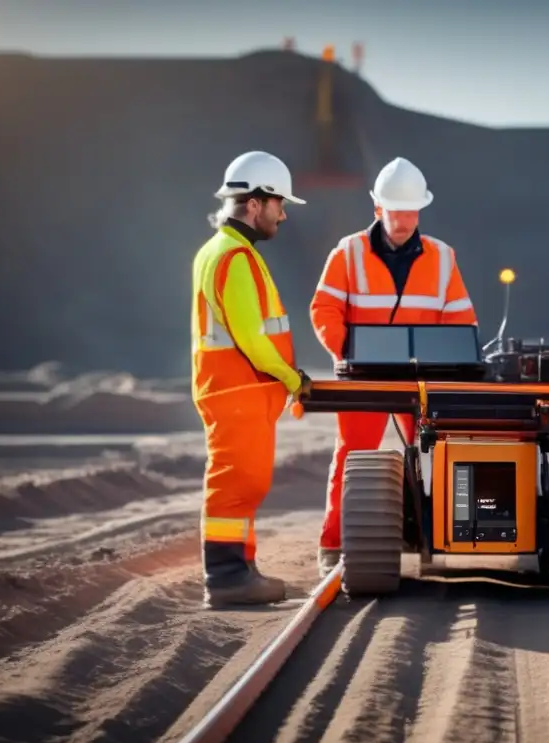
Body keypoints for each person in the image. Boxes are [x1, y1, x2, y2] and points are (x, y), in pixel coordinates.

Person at [309, 157, 478, 574]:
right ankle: (333, 546)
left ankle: (428, 539)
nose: (404, 221)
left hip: (421, 382)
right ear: (377, 208)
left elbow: (461, 321)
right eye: (396, 211)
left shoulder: (442, 256)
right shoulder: (348, 253)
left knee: (433, 454)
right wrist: (345, 352)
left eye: (411, 211)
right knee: (351, 457)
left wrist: (450, 366)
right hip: (363, 378)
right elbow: (324, 308)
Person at [191, 150, 313, 608]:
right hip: (237, 389)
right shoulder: (234, 257)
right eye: (280, 203)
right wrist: (291, 376)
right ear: (256, 203)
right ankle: (225, 578)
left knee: (244, 483)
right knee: (234, 482)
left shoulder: (219, 251)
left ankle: (240, 568)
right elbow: (251, 337)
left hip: (234, 390)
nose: (284, 213)